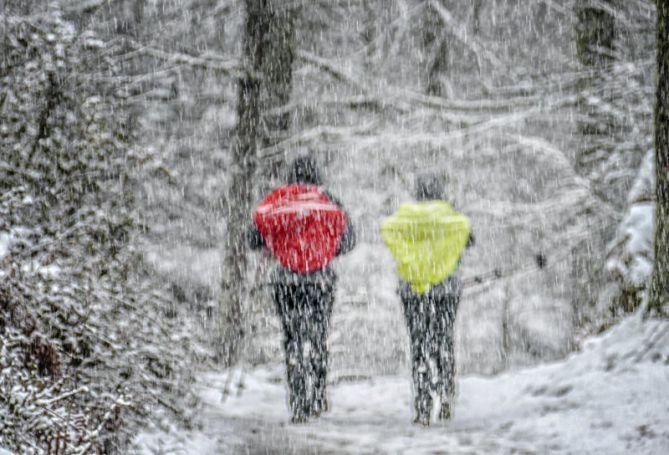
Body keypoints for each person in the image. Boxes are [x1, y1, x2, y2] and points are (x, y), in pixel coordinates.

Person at [248, 156, 356, 423]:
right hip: (321, 280)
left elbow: (253, 239)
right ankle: (317, 395)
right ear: (317, 175)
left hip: (286, 280)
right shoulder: (329, 200)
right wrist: (325, 252)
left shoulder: (277, 200)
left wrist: (275, 244)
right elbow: (349, 240)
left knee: (292, 338)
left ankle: (298, 401)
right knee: (318, 336)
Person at [381, 173, 472, 425]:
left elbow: (387, 230)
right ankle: (445, 396)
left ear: (418, 192)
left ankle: (422, 404)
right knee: (444, 339)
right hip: (446, 290)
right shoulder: (450, 217)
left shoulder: (405, 217)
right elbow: (468, 238)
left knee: (419, 342)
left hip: (413, 290)